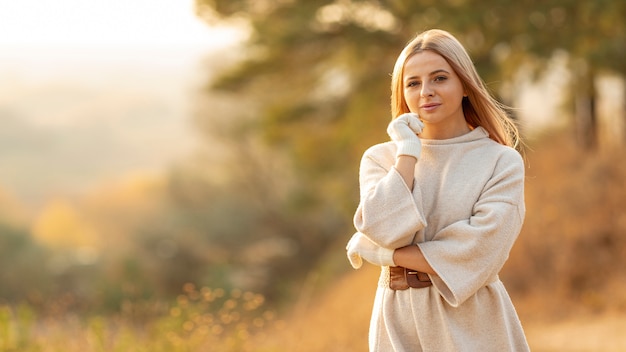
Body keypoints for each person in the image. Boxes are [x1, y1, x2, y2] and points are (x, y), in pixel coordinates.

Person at [346, 29, 530, 351]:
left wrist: (388, 255)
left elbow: (480, 250)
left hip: (474, 324)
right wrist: (407, 151)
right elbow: (383, 228)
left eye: (439, 78)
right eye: (413, 83)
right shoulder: (381, 158)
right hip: (397, 321)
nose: (425, 92)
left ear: (464, 86)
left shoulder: (501, 161)